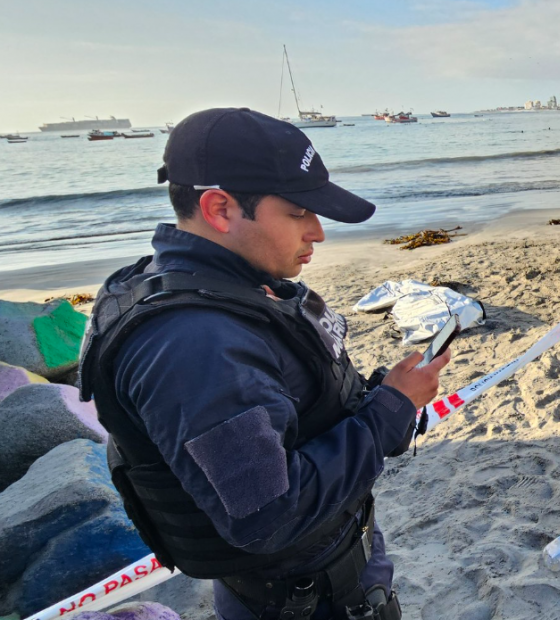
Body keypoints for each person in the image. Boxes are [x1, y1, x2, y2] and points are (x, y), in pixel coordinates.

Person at [79, 108, 449, 620]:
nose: (317, 232)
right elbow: (269, 516)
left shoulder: (226, 285)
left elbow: (293, 406)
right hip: (304, 597)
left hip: (328, 567)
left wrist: (381, 396)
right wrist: (392, 410)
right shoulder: (195, 346)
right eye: (299, 212)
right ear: (219, 209)